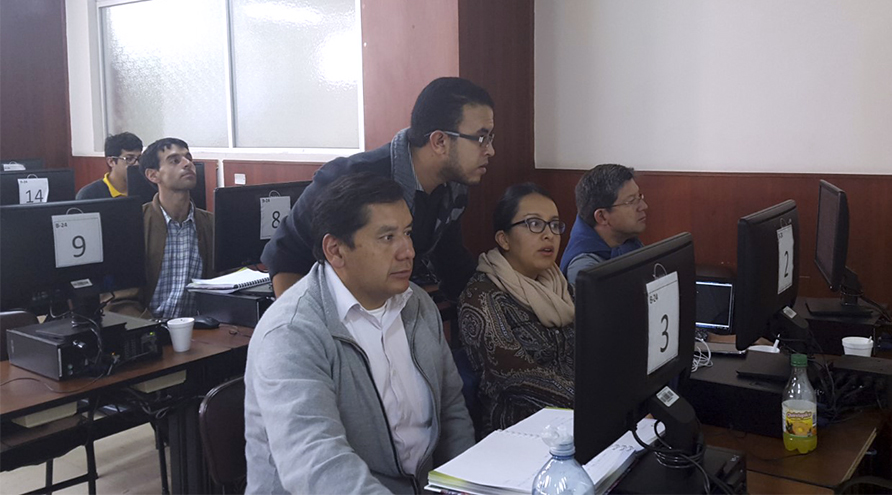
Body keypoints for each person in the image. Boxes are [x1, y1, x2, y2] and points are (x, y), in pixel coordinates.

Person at [245, 173, 474, 494]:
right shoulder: (291, 332)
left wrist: (463, 486)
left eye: (407, 233)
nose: (407, 251)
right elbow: (317, 464)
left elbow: (451, 413)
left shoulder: (418, 304)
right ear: (336, 250)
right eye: (387, 237)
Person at [262, 77, 495, 300]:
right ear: (439, 142)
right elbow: (285, 254)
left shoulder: (453, 188)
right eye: (481, 139)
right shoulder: (350, 179)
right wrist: (306, 330)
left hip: (386, 310)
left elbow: (451, 262)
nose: (490, 151)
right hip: (330, 315)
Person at [458, 183, 575, 435]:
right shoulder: (482, 297)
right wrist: (595, 400)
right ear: (504, 239)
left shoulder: (560, 285)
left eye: (555, 225)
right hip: (521, 428)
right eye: (534, 224)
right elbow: (518, 377)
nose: (549, 235)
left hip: (579, 416)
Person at [138, 137, 214, 319]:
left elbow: (227, 284)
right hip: (149, 332)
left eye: (189, 158)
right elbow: (120, 303)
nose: (187, 164)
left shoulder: (210, 224)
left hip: (201, 331)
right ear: (153, 175)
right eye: (175, 160)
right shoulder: (135, 224)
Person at [559, 164, 648, 286]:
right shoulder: (585, 268)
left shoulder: (627, 241)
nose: (643, 206)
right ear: (602, 216)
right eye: (631, 201)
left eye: (639, 197)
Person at [76, 132, 143, 200]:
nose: (136, 164)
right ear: (111, 162)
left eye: (139, 158)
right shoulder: (89, 195)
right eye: (129, 159)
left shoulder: (146, 189)